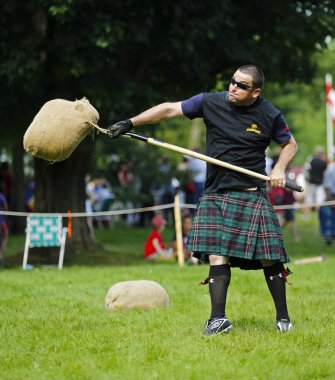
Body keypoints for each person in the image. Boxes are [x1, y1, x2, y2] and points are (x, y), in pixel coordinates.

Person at [108, 64, 298, 335]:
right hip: (216, 193)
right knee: (216, 256)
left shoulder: (269, 113)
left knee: (270, 258)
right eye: (233, 81)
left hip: (250, 194)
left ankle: (284, 319)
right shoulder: (211, 102)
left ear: (255, 92)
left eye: (242, 85)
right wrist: (130, 123)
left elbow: (290, 144)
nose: (233, 87)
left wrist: (279, 168)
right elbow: (170, 109)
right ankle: (217, 320)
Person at [0, 184, 9, 268]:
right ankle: (1, 256)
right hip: (1, 223)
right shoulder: (1, 196)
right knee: (4, 239)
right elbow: (6, 207)